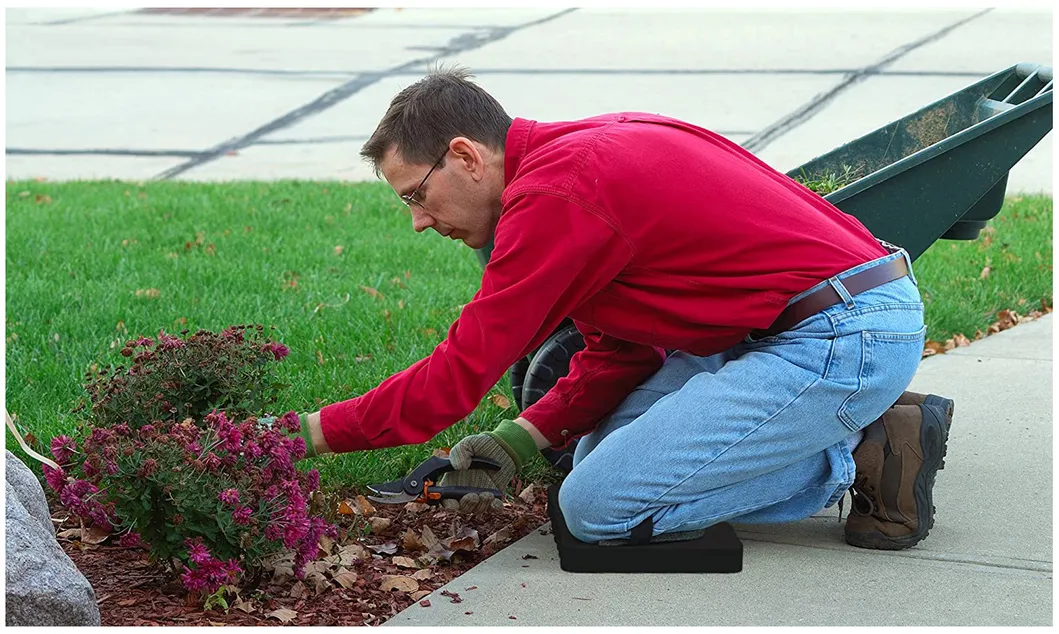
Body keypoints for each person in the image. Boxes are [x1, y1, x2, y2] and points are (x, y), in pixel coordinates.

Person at [287, 66, 953, 551]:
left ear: (464, 156)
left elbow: (454, 378)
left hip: (841, 337)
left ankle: (862, 450)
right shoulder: (569, 163)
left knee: (597, 508)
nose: (417, 221)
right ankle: (838, 425)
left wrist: (301, 435)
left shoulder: (558, 193)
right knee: (593, 460)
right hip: (796, 330)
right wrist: (522, 438)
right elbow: (623, 347)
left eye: (416, 195)